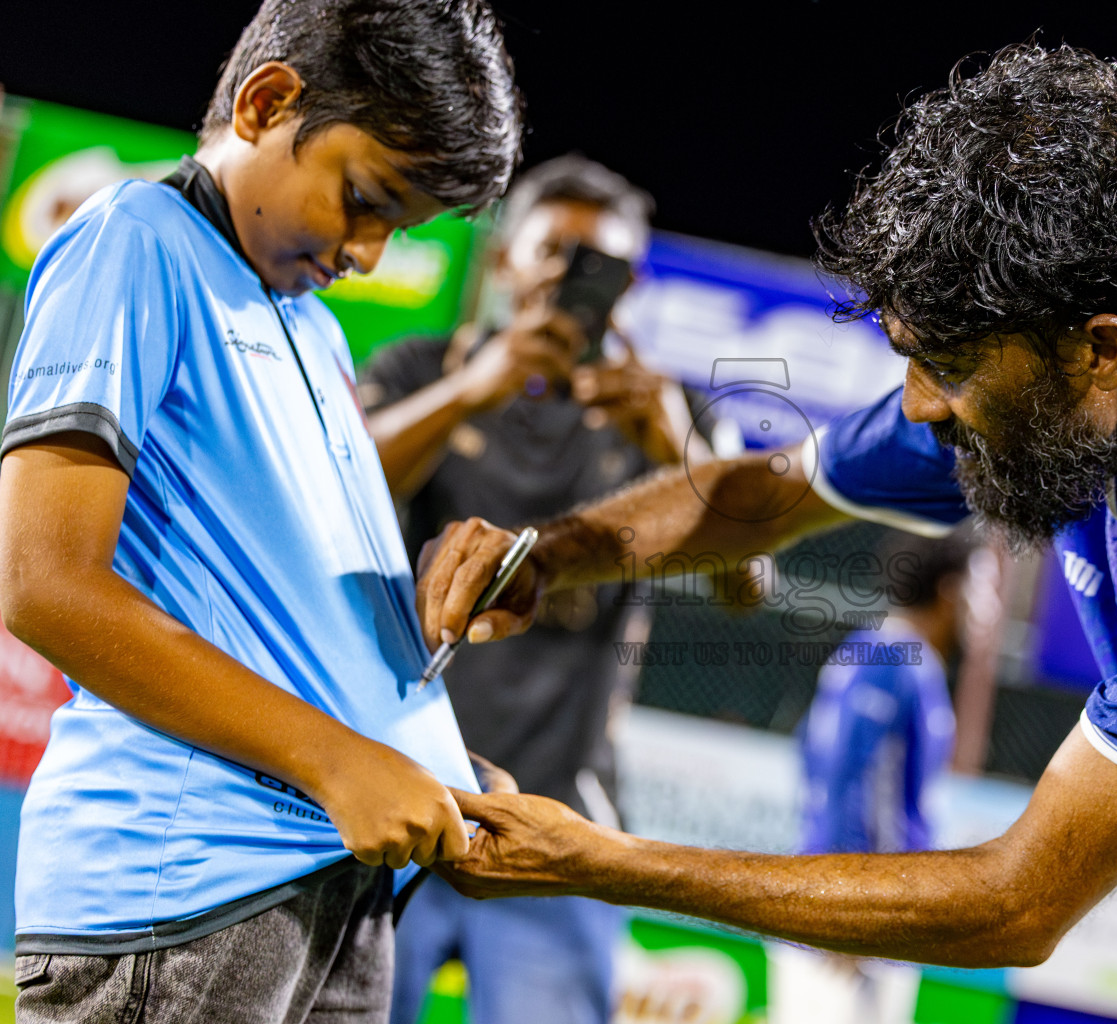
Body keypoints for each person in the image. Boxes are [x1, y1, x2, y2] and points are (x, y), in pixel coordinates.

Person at [420, 43, 1117, 1024]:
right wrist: (550, 549)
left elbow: (1019, 899)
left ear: (1102, 349)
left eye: (943, 366)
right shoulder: (1086, 365)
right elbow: (769, 493)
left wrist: (605, 861)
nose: (914, 404)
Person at [0, 2, 519, 1021]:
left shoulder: (316, 331)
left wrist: (428, 753)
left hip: (331, 886)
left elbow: (280, 616)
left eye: (400, 227)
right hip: (181, 892)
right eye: (366, 200)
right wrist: (338, 755)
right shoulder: (135, 241)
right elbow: (41, 582)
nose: (370, 251)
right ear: (267, 102)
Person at [361, 155, 696, 1024]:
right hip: (392, 790)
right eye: (552, 252)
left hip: (560, 820)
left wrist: (683, 456)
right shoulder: (423, 367)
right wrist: (475, 390)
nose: (568, 280)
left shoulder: (661, 413)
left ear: (634, 285)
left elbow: (750, 585)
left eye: (601, 264)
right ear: (506, 257)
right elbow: (335, 489)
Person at [770, 532, 966, 1024]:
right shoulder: (894, 660)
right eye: (978, 587)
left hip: (873, 917)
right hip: (852, 922)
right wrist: (849, 911)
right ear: (949, 589)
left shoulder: (882, 654)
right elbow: (843, 779)